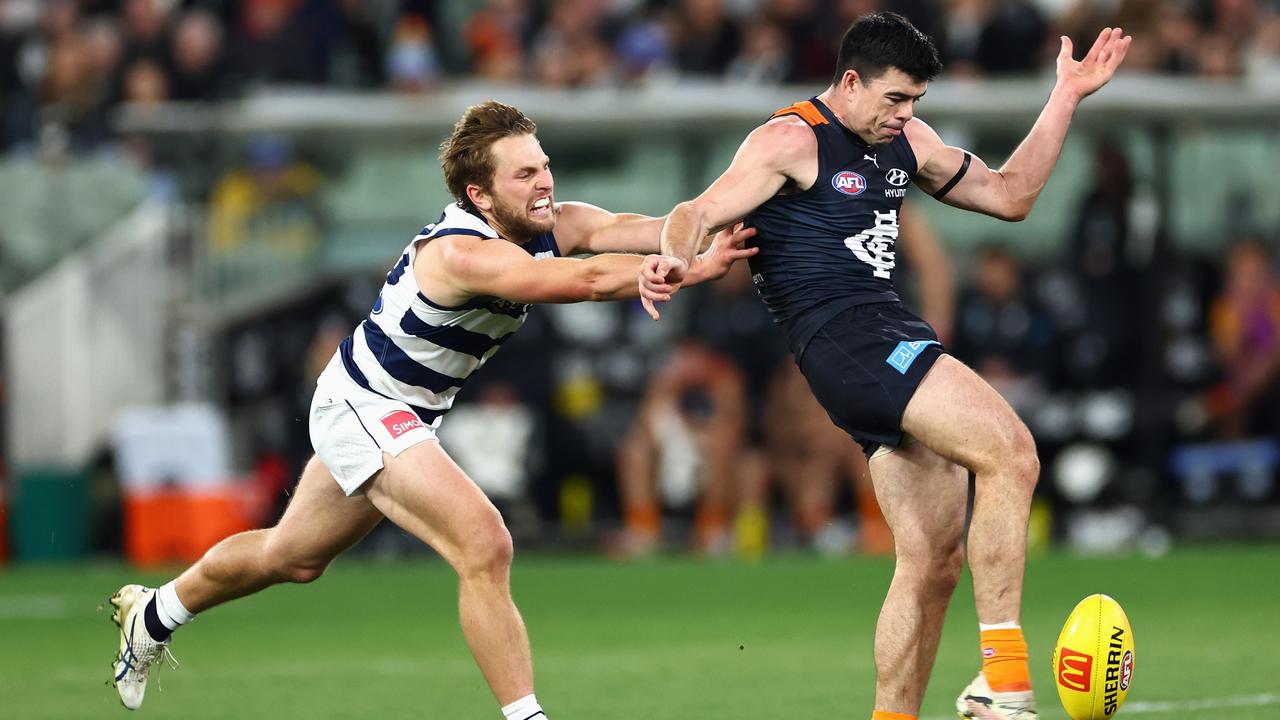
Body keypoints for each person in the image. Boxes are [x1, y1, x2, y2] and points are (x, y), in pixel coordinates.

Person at [107, 100, 756, 716]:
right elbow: (578, 280)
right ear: (480, 194)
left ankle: (154, 614)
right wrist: (659, 269)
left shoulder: (551, 220)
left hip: (398, 411)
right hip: (365, 403)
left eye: (546, 165)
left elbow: (629, 231)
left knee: (292, 558)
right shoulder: (460, 251)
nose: (544, 183)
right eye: (525, 173)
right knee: (486, 543)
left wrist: (691, 243)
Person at [639, 13, 1130, 720]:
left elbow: (1010, 195)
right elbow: (698, 209)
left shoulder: (905, 140)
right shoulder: (789, 139)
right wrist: (674, 259)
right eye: (895, 99)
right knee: (1012, 453)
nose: (905, 116)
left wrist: (1065, 97)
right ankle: (1004, 681)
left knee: (932, 563)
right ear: (849, 82)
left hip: (878, 332)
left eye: (916, 103)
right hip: (847, 335)